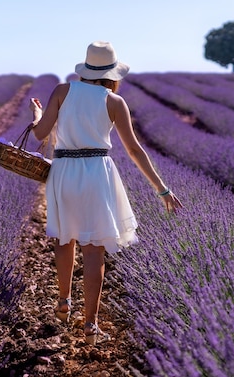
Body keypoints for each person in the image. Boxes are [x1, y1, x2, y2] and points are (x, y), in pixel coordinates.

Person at [28, 41, 183, 345]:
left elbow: (39, 134)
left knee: (64, 237)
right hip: (97, 174)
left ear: (86, 70)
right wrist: (161, 189)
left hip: (63, 172)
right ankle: (90, 324)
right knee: (94, 248)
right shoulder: (113, 101)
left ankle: (63, 300)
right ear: (112, 74)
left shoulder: (62, 91)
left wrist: (37, 113)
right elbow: (135, 151)